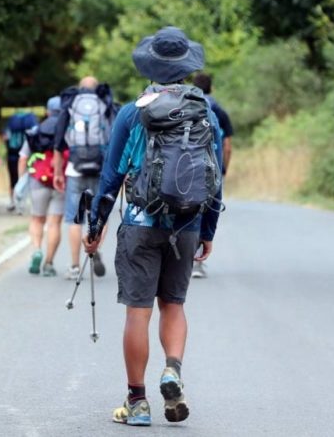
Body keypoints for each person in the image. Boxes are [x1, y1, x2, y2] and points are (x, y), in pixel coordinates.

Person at [83, 26, 223, 426]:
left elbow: (111, 176)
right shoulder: (204, 111)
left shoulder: (133, 111)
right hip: (187, 223)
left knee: (138, 312)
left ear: (150, 65)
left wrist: (95, 226)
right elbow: (215, 176)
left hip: (140, 224)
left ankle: (138, 402)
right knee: (174, 305)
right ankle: (172, 371)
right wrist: (208, 230)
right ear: (185, 67)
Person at [52, 76, 117, 280]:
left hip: (75, 170)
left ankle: (74, 266)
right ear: (97, 88)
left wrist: (57, 172)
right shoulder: (105, 104)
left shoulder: (71, 105)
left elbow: (58, 142)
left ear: (80, 89)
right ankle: (94, 246)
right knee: (101, 215)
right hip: (100, 169)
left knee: (74, 218)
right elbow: (115, 138)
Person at [191, 72, 234, 279]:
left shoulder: (182, 105)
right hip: (210, 166)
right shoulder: (218, 112)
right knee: (204, 209)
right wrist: (223, 168)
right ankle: (197, 263)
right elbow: (227, 146)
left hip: (185, 167)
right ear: (211, 88)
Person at [18, 97, 65, 276]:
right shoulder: (66, 131)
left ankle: (37, 249)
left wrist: (21, 179)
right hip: (60, 181)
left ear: (47, 111)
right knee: (54, 223)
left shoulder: (36, 130)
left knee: (37, 219)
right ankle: (49, 263)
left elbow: (23, 157)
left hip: (38, 179)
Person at [5, 111, 38, 211]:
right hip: (28, 155)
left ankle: (12, 201)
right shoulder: (31, 123)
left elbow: (6, 137)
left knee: (12, 179)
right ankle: (24, 203)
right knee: (28, 179)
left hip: (12, 155)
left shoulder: (11, 123)